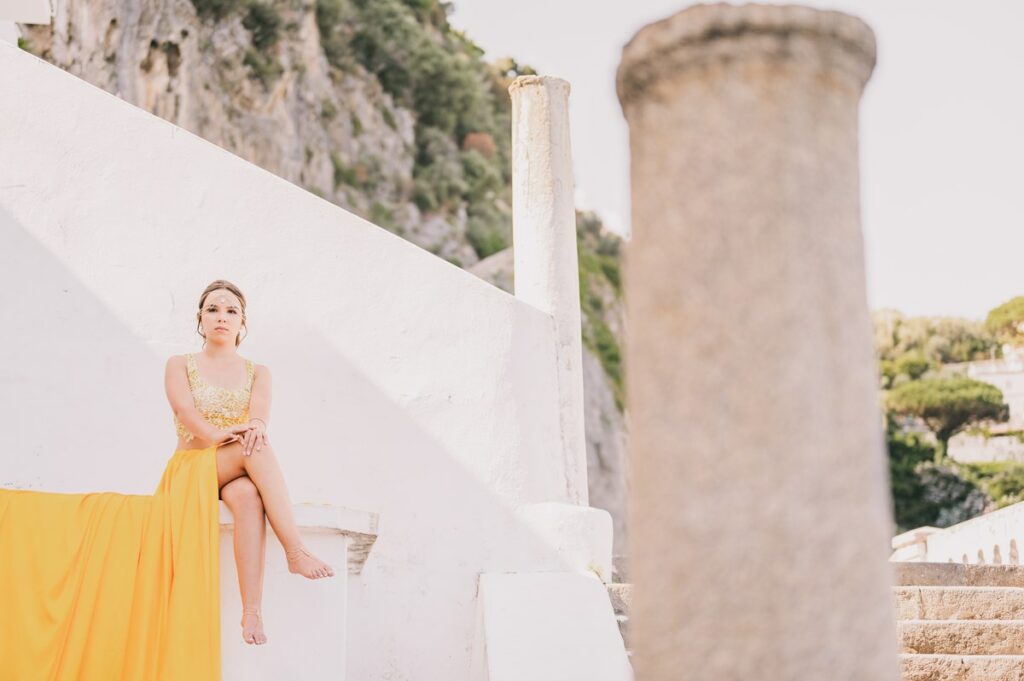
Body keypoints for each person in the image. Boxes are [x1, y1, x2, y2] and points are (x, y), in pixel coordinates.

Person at [0, 279, 333, 680]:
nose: (221, 316)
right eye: (213, 309)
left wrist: (254, 426)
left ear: (243, 322)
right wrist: (218, 436)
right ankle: (294, 550)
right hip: (192, 468)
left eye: (231, 310)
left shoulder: (258, 372)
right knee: (256, 449)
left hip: (233, 469)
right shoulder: (180, 364)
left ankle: (251, 612)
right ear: (200, 319)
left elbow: (260, 413)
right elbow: (185, 410)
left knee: (247, 494)